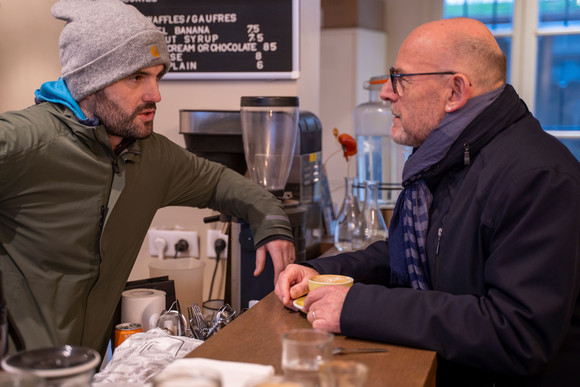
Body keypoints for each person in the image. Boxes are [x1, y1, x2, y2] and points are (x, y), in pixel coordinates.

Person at [275, 17, 580, 386]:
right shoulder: (445, 160)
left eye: (400, 78)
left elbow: (516, 333)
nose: (387, 92)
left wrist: (356, 307)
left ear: (455, 92)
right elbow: (407, 256)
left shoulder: (538, 177)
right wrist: (327, 275)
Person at [0, 0, 295, 356]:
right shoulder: (27, 140)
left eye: (157, 76)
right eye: (136, 77)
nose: (155, 94)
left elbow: (221, 182)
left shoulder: (151, 155)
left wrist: (273, 222)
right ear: (92, 82)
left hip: (86, 370)